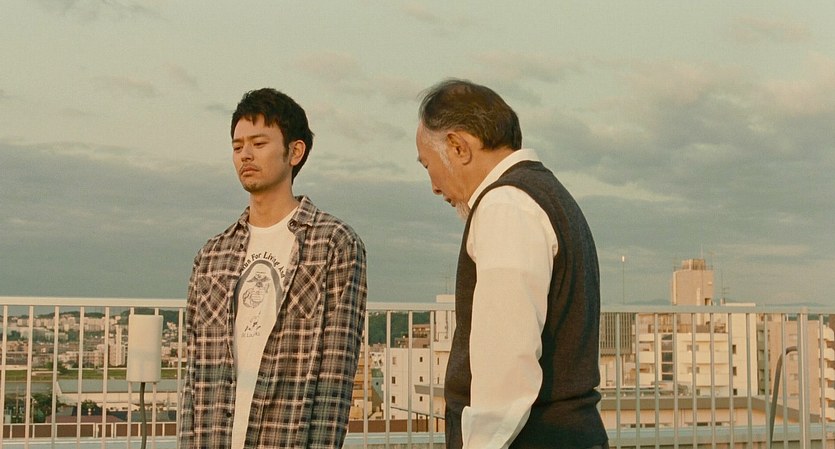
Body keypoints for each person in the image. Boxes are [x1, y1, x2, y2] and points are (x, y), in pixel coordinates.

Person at [415, 79, 607, 449]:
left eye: (428, 165)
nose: (434, 186)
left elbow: (505, 364)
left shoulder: (506, 205)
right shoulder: (546, 193)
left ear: (458, 147)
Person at [180, 88, 367, 449]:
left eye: (259, 143)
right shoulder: (211, 256)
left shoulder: (333, 243)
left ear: (295, 152)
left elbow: (336, 372)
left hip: (286, 437)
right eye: (237, 146)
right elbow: (193, 376)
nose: (245, 155)